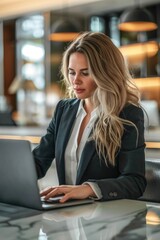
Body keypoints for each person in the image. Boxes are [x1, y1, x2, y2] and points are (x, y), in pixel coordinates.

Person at [33, 31, 146, 203]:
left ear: (105, 73)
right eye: (71, 72)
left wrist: (88, 189)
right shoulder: (64, 110)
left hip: (106, 221)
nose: (75, 81)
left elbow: (135, 182)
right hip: (67, 215)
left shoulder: (128, 114)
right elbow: (38, 162)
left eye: (85, 73)